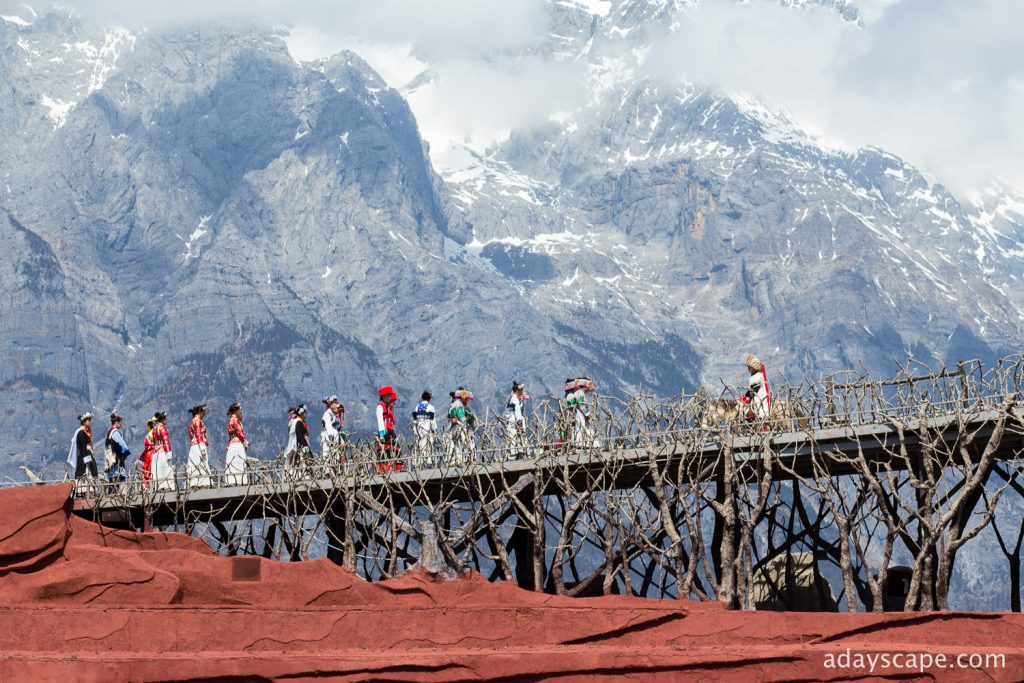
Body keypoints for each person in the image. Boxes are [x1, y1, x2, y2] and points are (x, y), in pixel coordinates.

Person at [67, 413, 97, 492]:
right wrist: (87, 459)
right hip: (84, 458)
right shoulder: (80, 432)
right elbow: (83, 447)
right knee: (83, 474)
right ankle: (83, 491)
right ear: (84, 422)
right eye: (89, 420)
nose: (90, 422)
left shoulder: (84, 432)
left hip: (86, 456)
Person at [375, 387, 402, 473]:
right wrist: (382, 434)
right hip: (384, 432)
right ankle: (383, 470)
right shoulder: (380, 407)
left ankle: (398, 469)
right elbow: (380, 421)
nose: (390, 398)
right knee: (384, 451)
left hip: (390, 432)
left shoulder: (387, 408)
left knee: (396, 449)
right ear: (383, 397)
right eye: (388, 396)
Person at [564, 378, 597, 447]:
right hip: (579, 414)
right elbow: (581, 405)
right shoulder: (580, 393)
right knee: (582, 428)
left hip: (575, 413)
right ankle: (584, 444)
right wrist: (587, 414)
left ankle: (580, 443)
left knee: (577, 428)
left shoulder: (569, 394)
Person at [447, 388, 475, 465]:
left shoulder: (454, 404)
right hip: (459, 427)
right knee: (462, 443)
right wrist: (469, 417)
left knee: (456, 444)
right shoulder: (459, 404)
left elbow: (450, 416)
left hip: (454, 428)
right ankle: (462, 460)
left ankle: (458, 460)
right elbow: (462, 418)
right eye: (466, 399)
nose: (467, 400)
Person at [739, 355, 771, 423]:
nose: (748, 369)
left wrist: (744, 400)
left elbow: (752, 391)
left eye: (749, 367)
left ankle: (744, 426)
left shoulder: (757, 377)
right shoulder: (758, 376)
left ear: (754, 367)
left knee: (741, 409)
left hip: (759, 405)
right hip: (757, 403)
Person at [186, 404, 212, 488]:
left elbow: (192, 435)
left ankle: (194, 482)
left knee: (194, 463)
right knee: (200, 463)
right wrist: (202, 447)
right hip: (198, 445)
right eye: (203, 411)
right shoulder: (197, 421)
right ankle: (202, 482)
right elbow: (198, 434)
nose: (204, 413)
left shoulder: (192, 422)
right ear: (200, 412)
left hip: (193, 446)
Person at [411, 391, 437, 469]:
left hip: (417, 429)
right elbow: (433, 420)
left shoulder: (417, 407)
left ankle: (417, 463)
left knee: (418, 446)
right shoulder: (430, 407)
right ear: (429, 399)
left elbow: (414, 419)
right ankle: (428, 463)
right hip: (426, 429)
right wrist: (434, 430)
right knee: (428, 446)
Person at [150, 411, 176, 491]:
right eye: (165, 418)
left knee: (158, 469)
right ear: (163, 419)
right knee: (165, 468)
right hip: (162, 451)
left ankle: (158, 486)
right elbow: (166, 441)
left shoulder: (154, 429)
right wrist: (169, 452)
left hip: (156, 452)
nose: (166, 420)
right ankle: (166, 485)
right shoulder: (163, 428)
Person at [504, 381, 530, 460]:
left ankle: (521, 452)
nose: (522, 391)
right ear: (517, 391)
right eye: (521, 390)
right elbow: (517, 412)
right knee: (513, 436)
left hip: (515, 420)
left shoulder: (517, 399)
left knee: (518, 437)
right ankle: (513, 454)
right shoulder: (514, 400)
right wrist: (519, 422)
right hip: (513, 420)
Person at [225, 402, 249, 485]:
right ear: (236, 410)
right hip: (237, 443)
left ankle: (234, 479)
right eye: (240, 409)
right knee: (238, 460)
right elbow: (239, 432)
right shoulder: (235, 420)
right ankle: (238, 480)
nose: (241, 411)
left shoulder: (233, 419)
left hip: (233, 443)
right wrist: (244, 441)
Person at [104, 412, 131, 485]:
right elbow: (123, 446)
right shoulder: (115, 433)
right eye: (120, 422)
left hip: (110, 462)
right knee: (120, 484)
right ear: (116, 422)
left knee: (112, 483)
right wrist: (125, 454)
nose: (121, 424)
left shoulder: (109, 433)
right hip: (117, 463)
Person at [284, 405, 311, 477]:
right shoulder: (298, 422)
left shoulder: (297, 421)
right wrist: (305, 445)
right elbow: (299, 434)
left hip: (298, 445)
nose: (306, 413)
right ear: (302, 413)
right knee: (300, 461)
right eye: (305, 412)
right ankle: (301, 475)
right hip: (298, 445)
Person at [139, 417, 158, 489]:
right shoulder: (155, 432)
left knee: (147, 470)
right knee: (151, 469)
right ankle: (151, 486)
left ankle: (146, 486)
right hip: (153, 453)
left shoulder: (148, 434)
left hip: (147, 453)